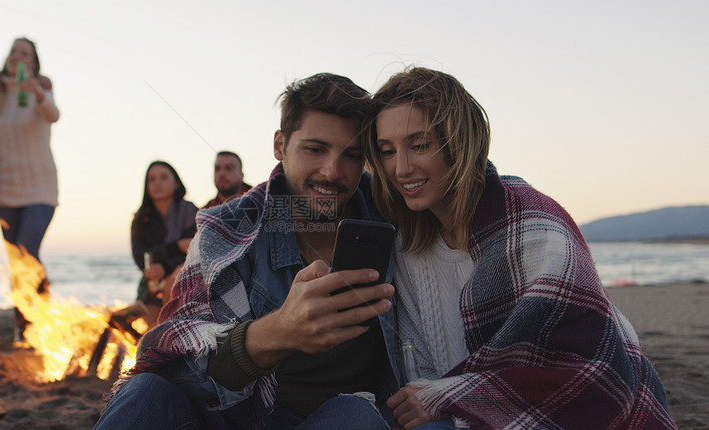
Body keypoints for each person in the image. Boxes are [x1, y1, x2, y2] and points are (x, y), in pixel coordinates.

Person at [363, 67, 675, 429]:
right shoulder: (407, 243)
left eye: (420, 145)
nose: (401, 168)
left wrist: (447, 396)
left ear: (459, 142)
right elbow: (419, 362)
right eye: (387, 152)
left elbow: (588, 365)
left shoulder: (533, 223)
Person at [95, 73, 399, 430]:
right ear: (279, 145)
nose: (332, 171)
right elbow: (173, 368)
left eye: (352, 155)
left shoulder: (398, 219)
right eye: (315, 149)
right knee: (146, 391)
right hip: (237, 417)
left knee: (357, 415)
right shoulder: (227, 231)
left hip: (337, 418)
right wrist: (277, 333)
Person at [0, 37, 60, 342]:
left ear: (33, 62)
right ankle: (24, 327)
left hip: (40, 188)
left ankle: (40, 320)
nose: (17, 57)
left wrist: (40, 93)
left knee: (27, 252)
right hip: (5, 189)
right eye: (13, 51)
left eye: (24, 54)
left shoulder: (40, 91)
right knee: (15, 262)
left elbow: (54, 114)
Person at [127, 161, 197, 327]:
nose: (157, 183)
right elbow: (141, 257)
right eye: (152, 179)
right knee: (148, 334)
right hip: (151, 287)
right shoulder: (141, 218)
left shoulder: (190, 211)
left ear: (176, 184)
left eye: (164, 178)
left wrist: (165, 267)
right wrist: (176, 246)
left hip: (187, 281)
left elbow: (195, 251)